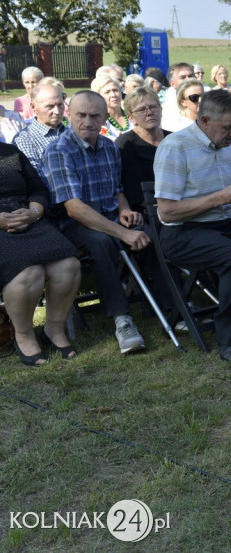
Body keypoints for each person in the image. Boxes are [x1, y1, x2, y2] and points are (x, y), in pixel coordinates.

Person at [153, 89, 231, 364]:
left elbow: (221, 200)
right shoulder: (175, 147)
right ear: (204, 121)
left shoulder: (223, 144)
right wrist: (223, 197)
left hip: (222, 223)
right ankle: (230, 339)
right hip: (182, 232)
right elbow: (167, 210)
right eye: (228, 128)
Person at [44, 90, 151, 355]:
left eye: (94, 116)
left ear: (104, 117)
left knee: (150, 232)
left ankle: (169, 304)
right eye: (81, 114)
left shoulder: (109, 147)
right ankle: (122, 319)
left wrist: (125, 209)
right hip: (74, 223)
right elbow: (74, 208)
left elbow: (118, 189)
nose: (88, 121)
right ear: (69, 113)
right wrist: (122, 233)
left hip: (110, 215)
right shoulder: (58, 150)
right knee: (103, 241)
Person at [0, 142, 81, 365]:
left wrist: (33, 212)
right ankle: (23, 335)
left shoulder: (11, 152)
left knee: (68, 265)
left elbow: (38, 189)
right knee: (28, 272)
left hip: (28, 218)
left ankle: (53, 330)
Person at [117, 87, 170, 213]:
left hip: (181, 203)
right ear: (131, 118)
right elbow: (134, 192)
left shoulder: (174, 139)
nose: (149, 112)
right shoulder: (125, 145)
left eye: (153, 107)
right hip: (147, 211)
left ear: (161, 109)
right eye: (141, 109)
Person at [13, 84, 66, 176]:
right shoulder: (24, 140)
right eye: (50, 106)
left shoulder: (73, 133)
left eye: (60, 105)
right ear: (33, 107)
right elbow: (37, 179)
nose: (57, 111)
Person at [90, 75, 129, 141]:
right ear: (98, 96)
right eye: (107, 92)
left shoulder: (132, 115)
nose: (113, 95)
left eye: (115, 90)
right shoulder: (97, 121)